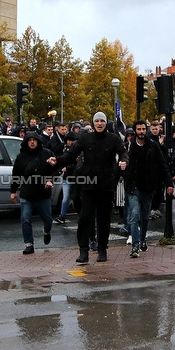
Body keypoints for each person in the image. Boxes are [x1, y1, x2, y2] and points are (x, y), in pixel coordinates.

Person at [49, 111, 128, 264]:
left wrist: (123, 162)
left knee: (104, 219)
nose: (99, 124)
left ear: (106, 123)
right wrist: (57, 161)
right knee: (85, 218)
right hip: (88, 184)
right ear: (93, 123)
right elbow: (71, 155)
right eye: (97, 121)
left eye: (102, 121)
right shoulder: (85, 138)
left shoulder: (113, 139)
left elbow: (123, 153)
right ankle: (83, 251)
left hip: (105, 185)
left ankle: (102, 249)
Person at [124, 120, 173, 258]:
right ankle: (135, 245)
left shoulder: (153, 145)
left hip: (148, 186)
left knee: (145, 217)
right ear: (134, 131)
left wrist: (169, 183)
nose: (141, 132)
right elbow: (120, 163)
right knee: (134, 215)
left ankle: (143, 238)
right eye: (138, 129)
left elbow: (162, 164)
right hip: (132, 187)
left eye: (143, 129)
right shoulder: (128, 146)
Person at [10, 132, 55, 254]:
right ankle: (29, 244)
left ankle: (46, 231)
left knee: (48, 220)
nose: (32, 142)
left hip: (43, 193)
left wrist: (51, 180)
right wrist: (13, 191)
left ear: (38, 141)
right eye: (29, 140)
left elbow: (55, 169)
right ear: (26, 142)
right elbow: (16, 174)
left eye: (34, 140)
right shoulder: (21, 157)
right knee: (25, 219)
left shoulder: (46, 153)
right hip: (26, 194)